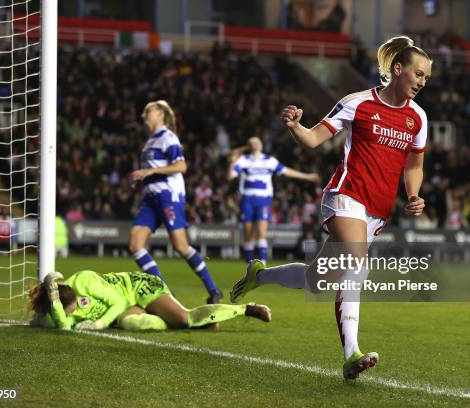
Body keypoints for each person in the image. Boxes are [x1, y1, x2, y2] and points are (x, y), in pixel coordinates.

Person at [230, 36, 431, 380]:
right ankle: (351, 352)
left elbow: (414, 164)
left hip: (377, 211)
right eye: (418, 73)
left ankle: (259, 275)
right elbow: (313, 139)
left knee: (316, 281)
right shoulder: (358, 103)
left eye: (426, 77)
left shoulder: (418, 118)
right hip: (345, 195)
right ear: (398, 70)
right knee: (357, 262)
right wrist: (295, 127)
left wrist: (414, 194)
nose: (422, 82)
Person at [128, 100, 223, 304]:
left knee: (180, 245)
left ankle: (214, 290)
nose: (144, 113)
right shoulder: (149, 142)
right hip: (150, 197)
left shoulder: (168, 137)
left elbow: (181, 166)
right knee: (135, 244)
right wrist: (140, 180)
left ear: (161, 114)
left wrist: (150, 171)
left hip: (168, 195)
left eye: (149, 110)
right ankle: (166, 293)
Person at [29, 271, 270, 331]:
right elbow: (63, 325)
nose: (74, 315)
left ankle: (246, 309)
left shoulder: (84, 280)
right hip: (123, 307)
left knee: (185, 318)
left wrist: (100, 324)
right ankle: (204, 323)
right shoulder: (58, 308)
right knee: (133, 324)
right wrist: (55, 302)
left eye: (72, 310)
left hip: (137, 287)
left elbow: (118, 302)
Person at [228, 137, 320, 265]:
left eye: (257, 141)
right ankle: (249, 266)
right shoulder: (244, 160)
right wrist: (232, 162)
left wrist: (307, 176)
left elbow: (287, 171)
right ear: (249, 146)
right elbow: (230, 176)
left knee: (261, 233)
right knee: (248, 235)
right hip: (247, 200)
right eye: (252, 142)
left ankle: (263, 264)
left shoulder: (269, 161)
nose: (255, 144)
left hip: (263, 200)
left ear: (261, 145)